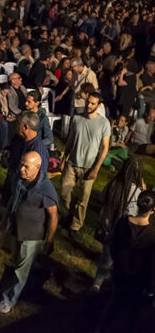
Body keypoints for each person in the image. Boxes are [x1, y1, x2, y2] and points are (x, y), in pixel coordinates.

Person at [0, 151, 58, 313]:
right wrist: (3, 223)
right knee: (17, 262)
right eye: (21, 164)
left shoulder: (45, 190)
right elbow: (12, 202)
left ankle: (8, 300)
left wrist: (49, 240)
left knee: (21, 270)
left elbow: (54, 216)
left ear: (37, 167)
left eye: (26, 166)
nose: (22, 168)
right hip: (16, 230)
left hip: (31, 235)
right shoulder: (20, 180)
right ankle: (36, 273)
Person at [94, 190, 155, 331]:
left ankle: (100, 329)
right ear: (153, 210)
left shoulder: (122, 222)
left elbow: (110, 242)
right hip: (139, 279)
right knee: (133, 311)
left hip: (120, 271)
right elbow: (152, 263)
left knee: (113, 302)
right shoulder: (152, 235)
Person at [60, 92, 111, 240]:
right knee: (64, 192)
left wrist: (96, 168)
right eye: (88, 102)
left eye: (93, 103)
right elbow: (70, 139)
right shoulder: (76, 118)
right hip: (72, 163)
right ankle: (70, 214)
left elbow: (105, 148)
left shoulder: (104, 123)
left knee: (83, 200)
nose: (89, 105)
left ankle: (75, 226)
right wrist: (64, 158)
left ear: (98, 105)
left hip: (89, 167)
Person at [91, 155, 146, 291]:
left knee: (106, 258)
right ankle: (110, 287)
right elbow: (135, 214)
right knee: (117, 262)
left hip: (107, 227)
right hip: (122, 234)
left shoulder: (113, 183)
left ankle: (96, 285)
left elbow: (100, 198)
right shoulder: (137, 192)